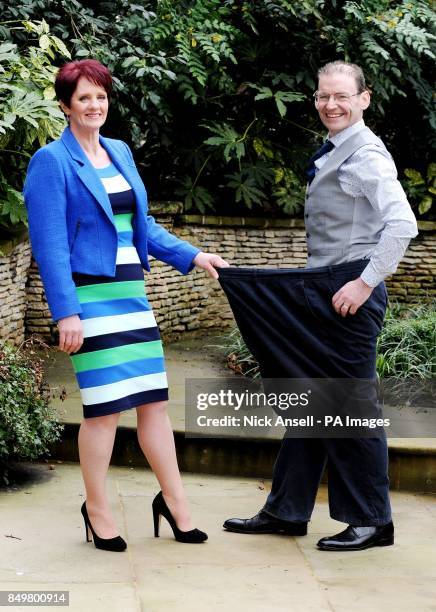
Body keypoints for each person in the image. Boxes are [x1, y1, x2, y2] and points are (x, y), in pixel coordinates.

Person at [24, 59, 228, 551]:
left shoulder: (118, 151)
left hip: (131, 295)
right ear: (65, 106)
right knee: (104, 411)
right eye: (84, 98)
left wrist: (193, 254)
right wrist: (65, 312)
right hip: (89, 297)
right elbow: (49, 244)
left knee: (155, 404)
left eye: (101, 97)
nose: (95, 106)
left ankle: (176, 505)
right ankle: (98, 512)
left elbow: (142, 228)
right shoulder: (51, 162)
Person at [222, 61, 418, 551]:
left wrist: (365, 282)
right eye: (323, 96)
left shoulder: (367, 155)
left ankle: (374, 521)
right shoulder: (339, 149)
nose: (331, 105)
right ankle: (287, 510)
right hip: (326, 289)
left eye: (342, 97)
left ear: (364, 99)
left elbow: (403, 225)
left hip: (348, 296)